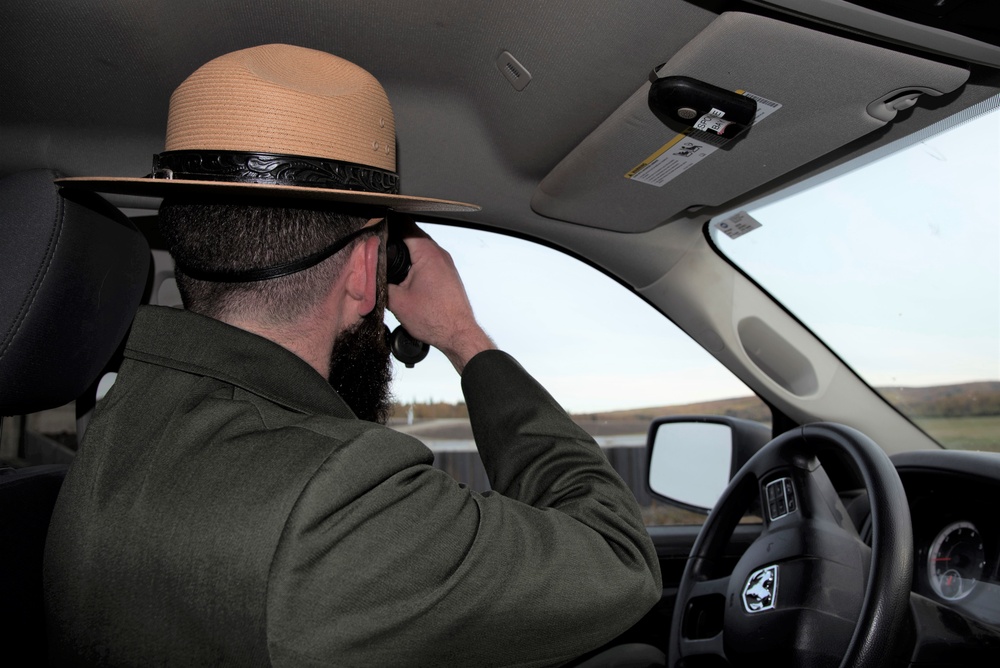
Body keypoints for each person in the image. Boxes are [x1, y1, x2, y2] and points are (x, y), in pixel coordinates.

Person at [44, 44, 661, 666]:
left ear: (182, 241)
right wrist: (465, 338)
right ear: (369, 269)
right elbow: (618, 558)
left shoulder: (114, 438)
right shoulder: (339, 499)